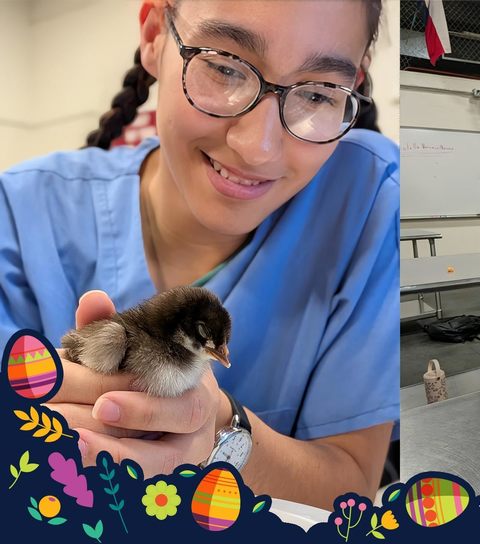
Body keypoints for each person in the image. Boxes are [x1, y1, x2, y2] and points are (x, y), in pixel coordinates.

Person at [0, 0, 398, 510]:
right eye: (225, 67)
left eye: (318, 93)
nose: (258, 147)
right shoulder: (20, 213)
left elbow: (351, 484)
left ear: (353, 87)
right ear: (153, 35)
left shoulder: (371, 203)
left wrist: (223, 435)